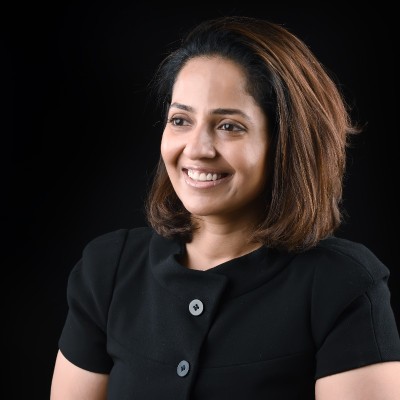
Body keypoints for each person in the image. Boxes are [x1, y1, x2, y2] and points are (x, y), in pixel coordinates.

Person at [50, 15, 400, 399]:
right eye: (180, 120)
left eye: (229, 126)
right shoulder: (109, 269)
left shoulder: (342, 285)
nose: (197, 149)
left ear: (286, 143)